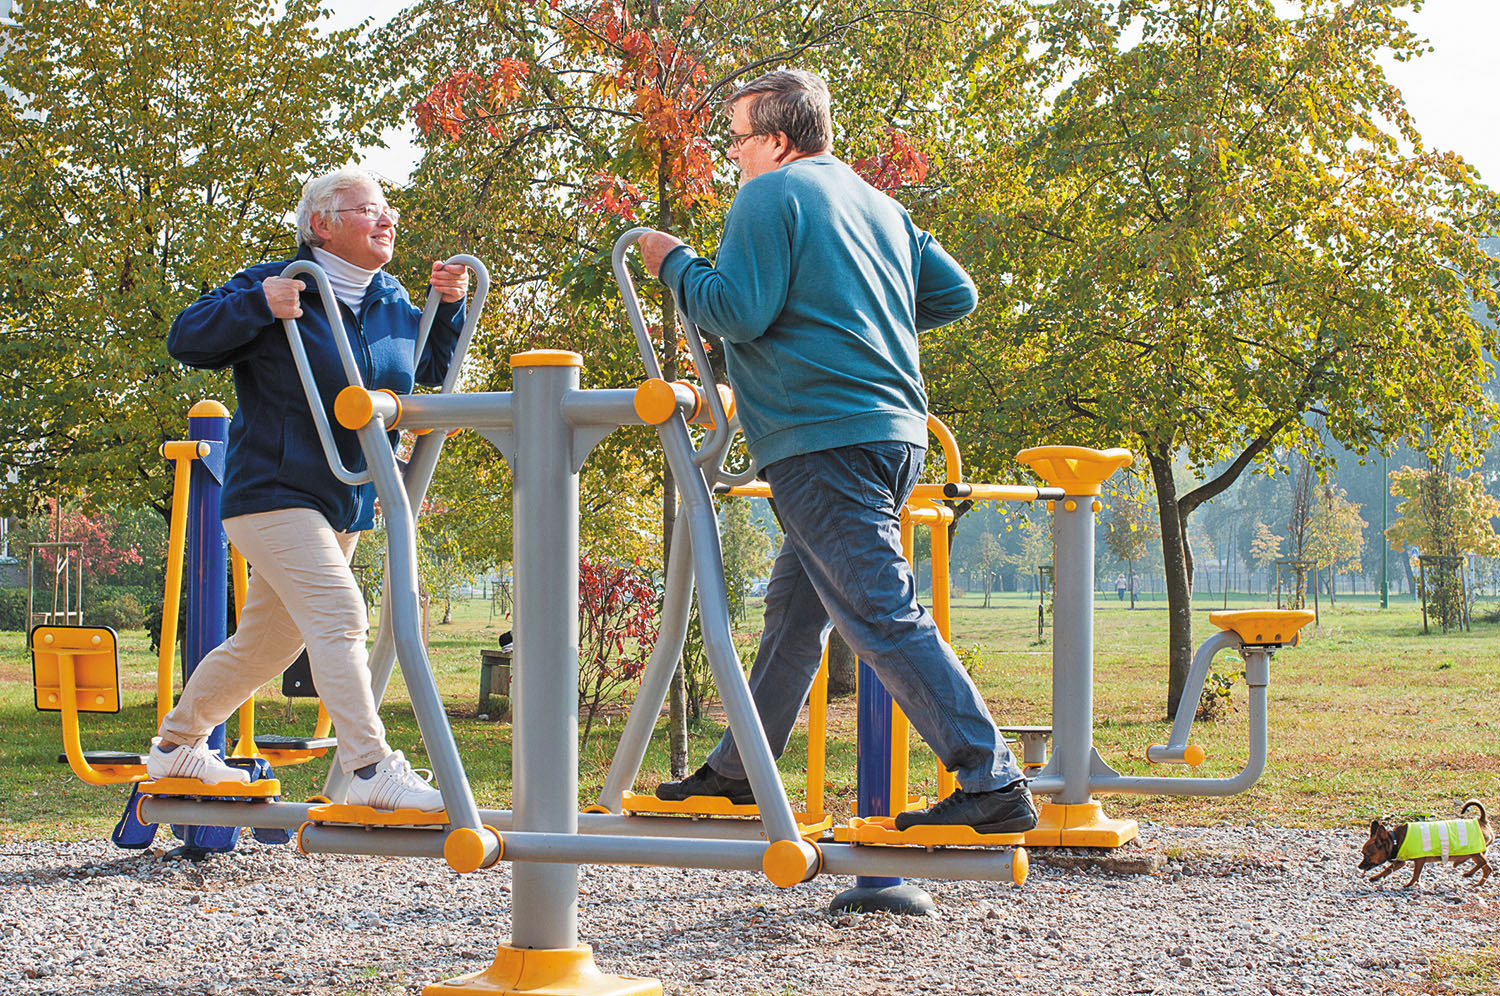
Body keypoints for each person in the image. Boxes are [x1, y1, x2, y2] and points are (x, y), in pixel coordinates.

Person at [639, 70, 1035, 835]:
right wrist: (853, 301)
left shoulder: (768, 196)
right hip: (894, 434)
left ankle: (992, 780)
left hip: (824, 436)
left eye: (739, 139)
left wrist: (673, 262)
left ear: (778, 141)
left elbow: (737, 313)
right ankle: (738, 772)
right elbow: (956, 294)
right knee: (794, 613)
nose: (734, 156)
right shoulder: (879, 204)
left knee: (882, 614)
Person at [146, 167, 469, 812]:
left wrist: (449, 305)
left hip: (345, 497)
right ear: (321, 224)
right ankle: (370, 768)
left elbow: (430, 365)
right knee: (340, 616)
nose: (386, 220)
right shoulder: (280, 283)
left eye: (387, 211)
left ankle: (176, 746)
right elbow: (188, 337)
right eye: (366, 210)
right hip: (272, 491)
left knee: (269, 642)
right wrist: (257, 305)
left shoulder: (390, 301)